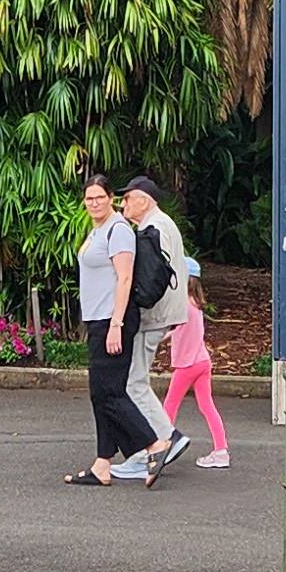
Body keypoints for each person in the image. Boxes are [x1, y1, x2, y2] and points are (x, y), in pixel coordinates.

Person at [67, 174, 161, 486]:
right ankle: (102, 464)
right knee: (101, 393)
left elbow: (125, 279)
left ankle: (154, 444)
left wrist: (116, 325)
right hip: (98, 319)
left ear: (110, 198)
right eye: (89, 198)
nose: (94, 203)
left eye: (99, 197)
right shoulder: (98, 230)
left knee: (109, 393)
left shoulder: (118, 230)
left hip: (113, 319)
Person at [120, 176, 199, 471]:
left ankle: (164, 439)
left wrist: (135, 302)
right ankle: (158, 442)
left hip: (153, 314)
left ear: (144, 201)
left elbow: (152, 273)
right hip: (163, 313)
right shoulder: (160, 224)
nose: (123, 204)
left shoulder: (153, 227)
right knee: (135, 380)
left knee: (133, 382)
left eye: (127, 198)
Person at [156, 253, 228, 471]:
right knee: (207, 406)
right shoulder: (194, 305)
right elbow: (180, 329)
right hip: (202, 361)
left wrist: (157, 337)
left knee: (169, 405)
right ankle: (221, 451)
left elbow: (172, 323)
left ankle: (161, 449)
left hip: (187, 364)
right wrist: (165, 337)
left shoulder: (182, 307)